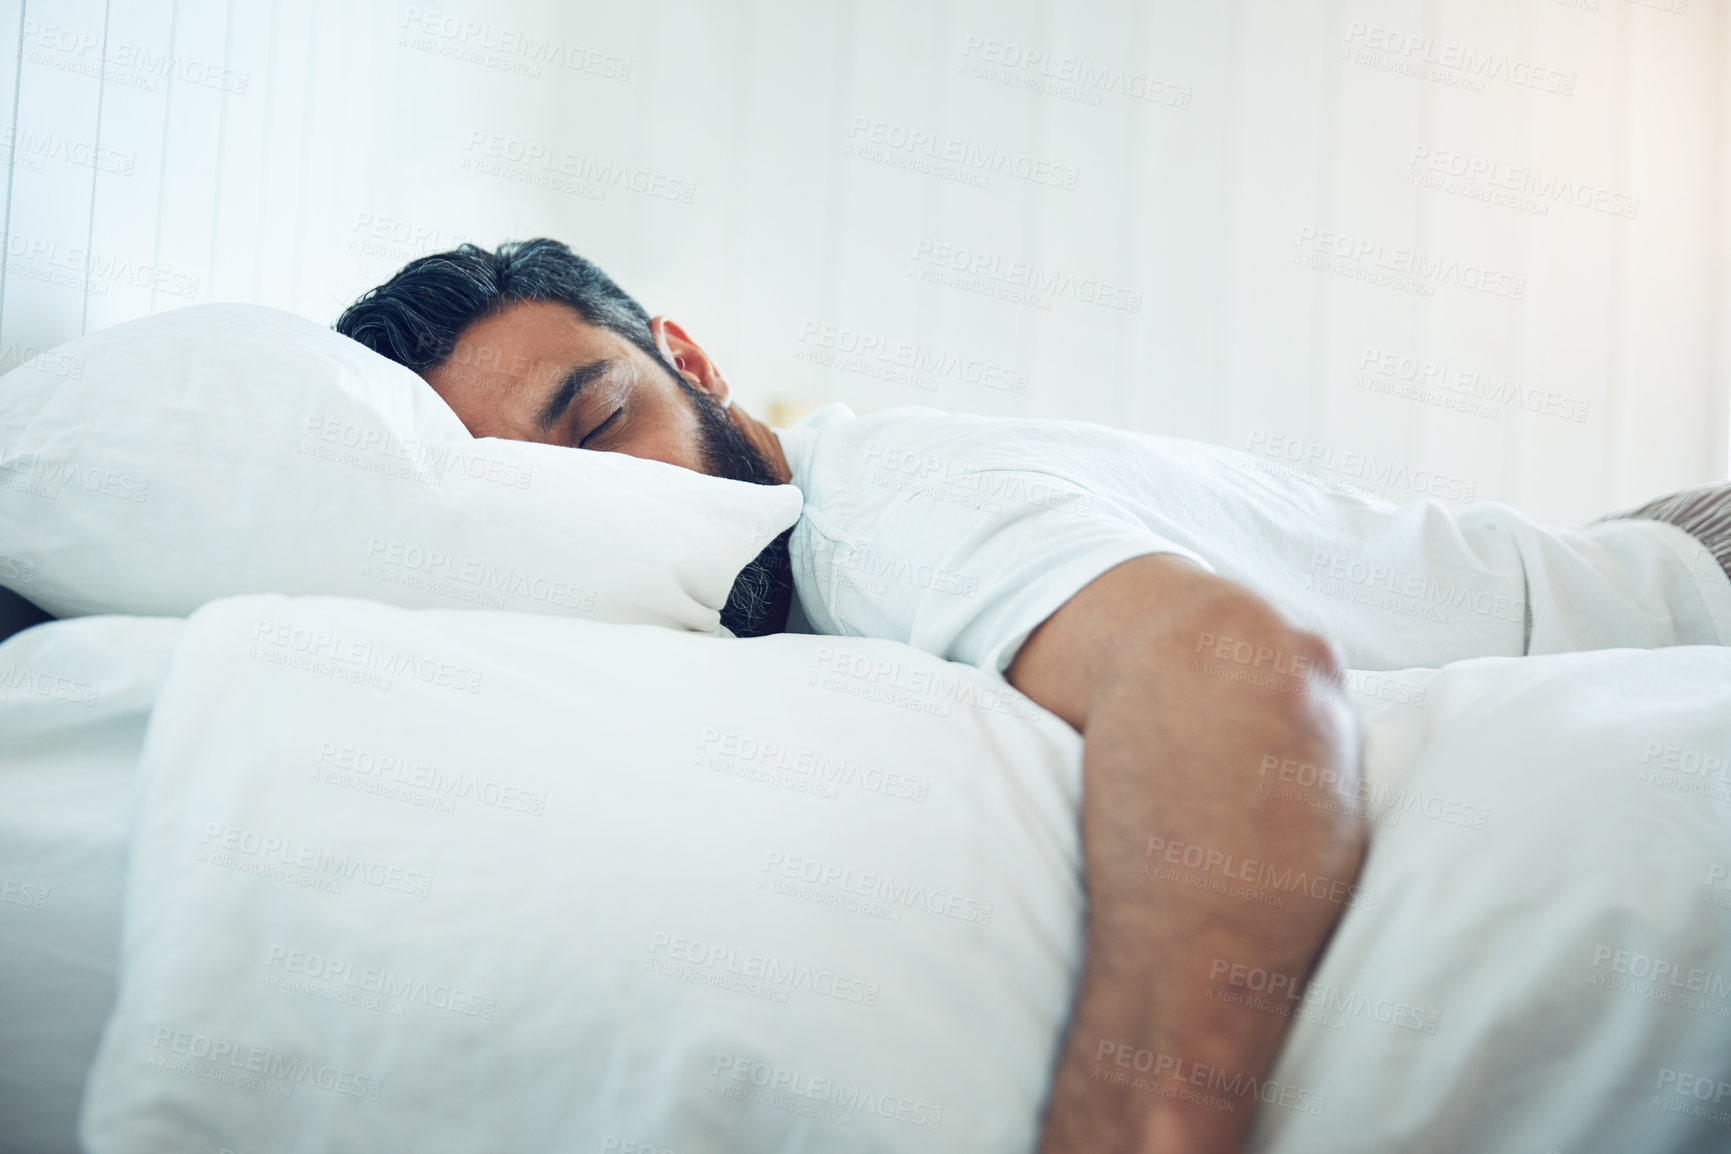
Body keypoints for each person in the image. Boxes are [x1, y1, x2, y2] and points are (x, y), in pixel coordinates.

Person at [335, 239, 1731, 1154]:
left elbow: (1242, 686)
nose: (619, 496)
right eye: (550, 488)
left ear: (690, 361)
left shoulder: (870, 513)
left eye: (602, 416)